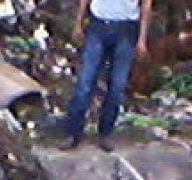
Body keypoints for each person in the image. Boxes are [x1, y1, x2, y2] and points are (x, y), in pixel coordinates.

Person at [60, 0, 154, 152]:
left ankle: (106, 132)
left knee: (118, 85)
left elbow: (146, 5)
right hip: (98, 26)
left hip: (127, 29)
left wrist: (142, 39)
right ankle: (73, 132)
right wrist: (78, 23)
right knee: (85, 81)